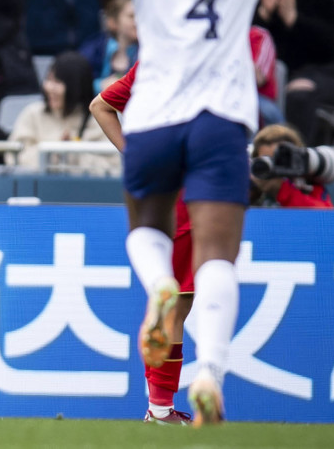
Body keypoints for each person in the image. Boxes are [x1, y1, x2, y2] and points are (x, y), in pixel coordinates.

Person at [0, 0, 334, 424]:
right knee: (217, 263)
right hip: (219, 125)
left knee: (148, 240)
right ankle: (210, 376)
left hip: (154, 124)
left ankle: (156, 289)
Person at [88, 61, 194, 424]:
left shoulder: (151, 63)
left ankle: (158, 407)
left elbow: (99, 106)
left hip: (160, 189)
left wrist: (134, 156)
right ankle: (161, 408)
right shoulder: (216, 60)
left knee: (173, 302)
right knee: (180, 307)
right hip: (198, 193)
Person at [256, 0, 334, 144]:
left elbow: (327, 46)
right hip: (270, 74)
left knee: (299, 93)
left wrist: (294, 20)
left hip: (320, 72)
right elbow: (253, 40)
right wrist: (264, 14)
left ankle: (297, 162)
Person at [7, 50, 117, 174]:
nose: (50, 87)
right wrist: (54, 152)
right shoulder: (33, 114)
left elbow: (114, 168)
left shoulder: (98, 120)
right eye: (49, 80)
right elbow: (13, 158)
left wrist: (74, 153)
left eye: (58, 82)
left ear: (76, 86)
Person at [248, 124, 334, 207]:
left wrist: (282, 190)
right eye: (265, 160)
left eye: (278, 160)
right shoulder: (253, 182)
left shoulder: (308, 183)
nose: (272, 167)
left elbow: (324, 217)